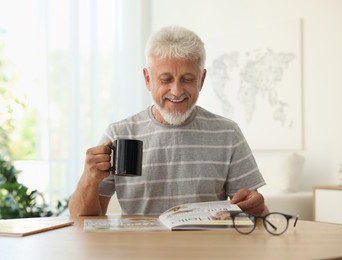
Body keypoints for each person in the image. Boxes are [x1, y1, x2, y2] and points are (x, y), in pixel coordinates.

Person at [69, 25, 268, 217]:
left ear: (202, 79)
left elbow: (252, 214)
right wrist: (89, 179)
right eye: (165, 80)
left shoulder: (227, 133)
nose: (176, 91)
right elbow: (82, 216)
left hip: (205, 250)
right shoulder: (119, 134)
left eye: (188, 79)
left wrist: (258, 209)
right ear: (148, 79)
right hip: (139, 250)